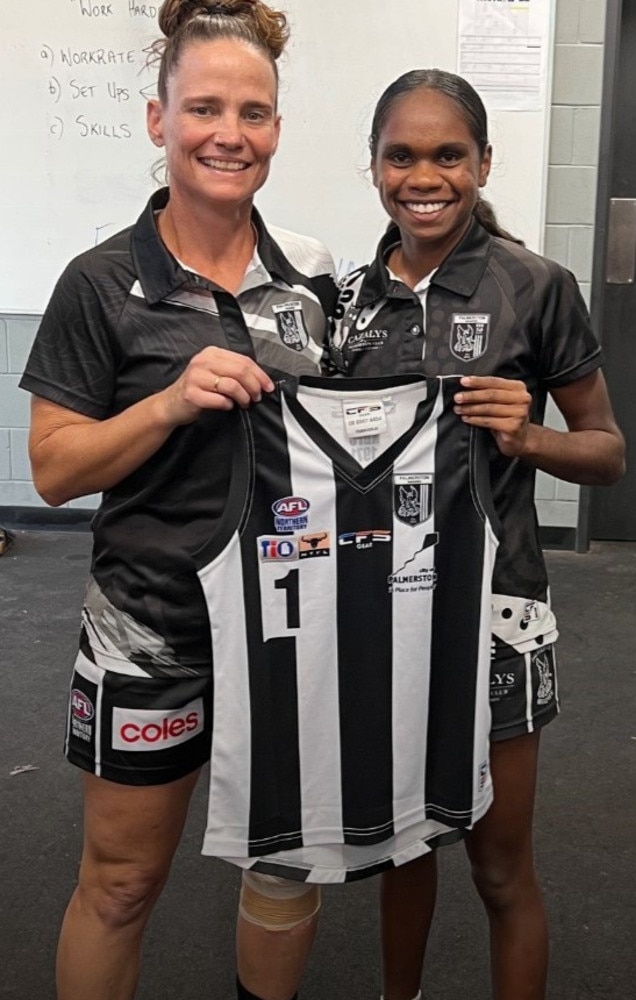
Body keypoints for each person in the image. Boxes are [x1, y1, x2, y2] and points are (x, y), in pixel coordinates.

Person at [19, 3, 338, 999]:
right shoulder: (102, 282)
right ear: (158, 121)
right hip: (150, 624)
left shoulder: (313, 274)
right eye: (203, 107)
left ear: (277, 128)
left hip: (294, 624)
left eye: (254, 111)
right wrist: (164, 403)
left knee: (285, 869)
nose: (228, 134)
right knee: (118, 885)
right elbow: (56, 471)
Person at [327, 69, 626, 1000]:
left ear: (483, 162)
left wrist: (529, 433)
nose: (425, 175)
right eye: (401, 155)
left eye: (448, 154)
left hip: (500, 610)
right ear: (373, 166)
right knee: (402, 847)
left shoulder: (535, 285)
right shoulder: (342, 304)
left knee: (500, 868)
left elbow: (608, 454)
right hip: (379, 611)